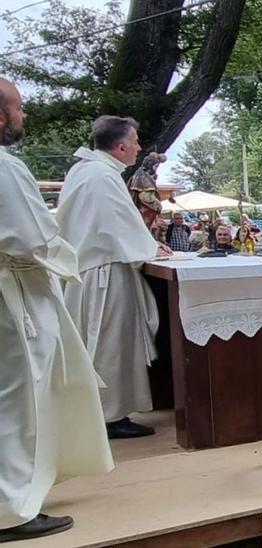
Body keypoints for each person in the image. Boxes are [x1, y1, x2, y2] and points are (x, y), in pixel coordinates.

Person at [0, 78, 113, 541]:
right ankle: (12, 508)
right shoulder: (4, 168)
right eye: (19, 108)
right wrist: (70, 260)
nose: (24, 116)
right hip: (13, 295)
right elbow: (30, 237)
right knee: (19, 400)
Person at [57, 115, 170, 439]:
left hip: (90, 271)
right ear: (120, 146)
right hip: (105, 273)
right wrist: (150, 248)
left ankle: (104, 412)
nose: (137, 147)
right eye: (134, 141)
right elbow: (116, 226)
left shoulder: (85, 170)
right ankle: (109, 416)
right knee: (111, 345)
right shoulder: (101, 177)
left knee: (103, 344)